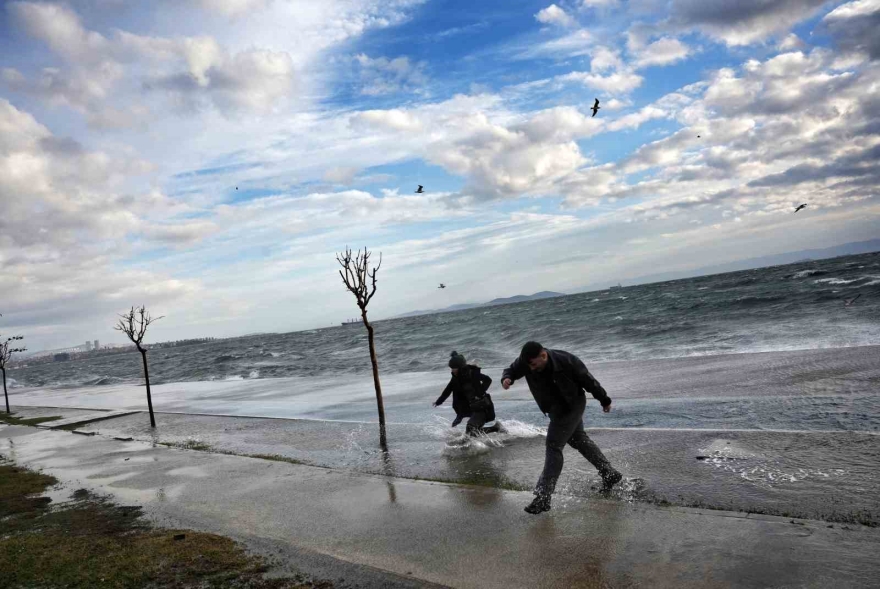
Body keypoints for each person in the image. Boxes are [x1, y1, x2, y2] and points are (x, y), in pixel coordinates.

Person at [502, 341, 622, 514]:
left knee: (553, 445)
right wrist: (507, 378)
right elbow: (512, 370)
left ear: (543, 355)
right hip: (553, 408)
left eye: (534, 365)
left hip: (571, 405)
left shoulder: (567, 361)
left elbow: (589, 381)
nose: (532, 369)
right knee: (578, 439)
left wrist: (604, 400)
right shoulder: (526, 362)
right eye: (528, 366)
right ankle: (609, 473)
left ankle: (543, 497)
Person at [434, 351, 501, 436]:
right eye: (451, 368)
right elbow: (448, 390)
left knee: (470, 431)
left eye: (454, 368)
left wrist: (479, 394)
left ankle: (497, 428)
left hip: (482, 406)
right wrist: (439, 401)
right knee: (471, 432)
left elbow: (488, 380)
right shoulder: (456, 378)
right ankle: (496, 429)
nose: (452, 370)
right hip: (473, 408)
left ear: (460, 367)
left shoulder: (472, 373)